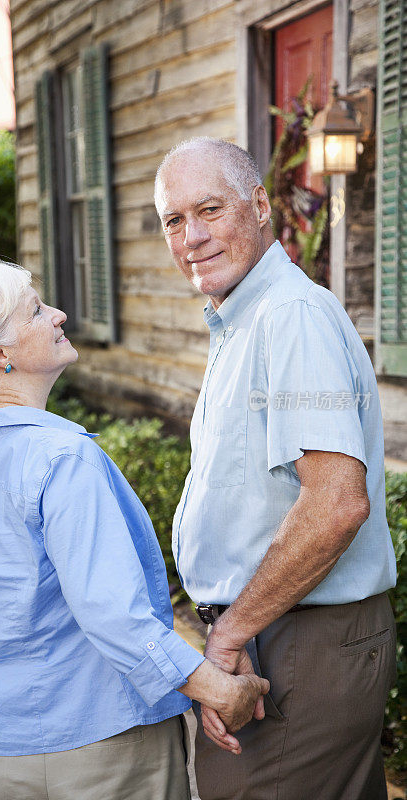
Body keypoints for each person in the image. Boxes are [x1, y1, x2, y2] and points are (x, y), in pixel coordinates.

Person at [0, 260, 268, 800]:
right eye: (37, 310)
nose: (59, 314)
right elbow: (116, 617)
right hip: (105, 754)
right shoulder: (62, 459)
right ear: (0, 355)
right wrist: (217, 690)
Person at [154, 137, 397, 800]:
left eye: (209, 210)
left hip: (297, 640)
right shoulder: (244, 318)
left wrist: (229, 633)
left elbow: (334, 505)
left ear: (259, 205)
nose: (192, 236)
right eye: (173, 220)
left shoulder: (288, 317)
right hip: (282, 630)